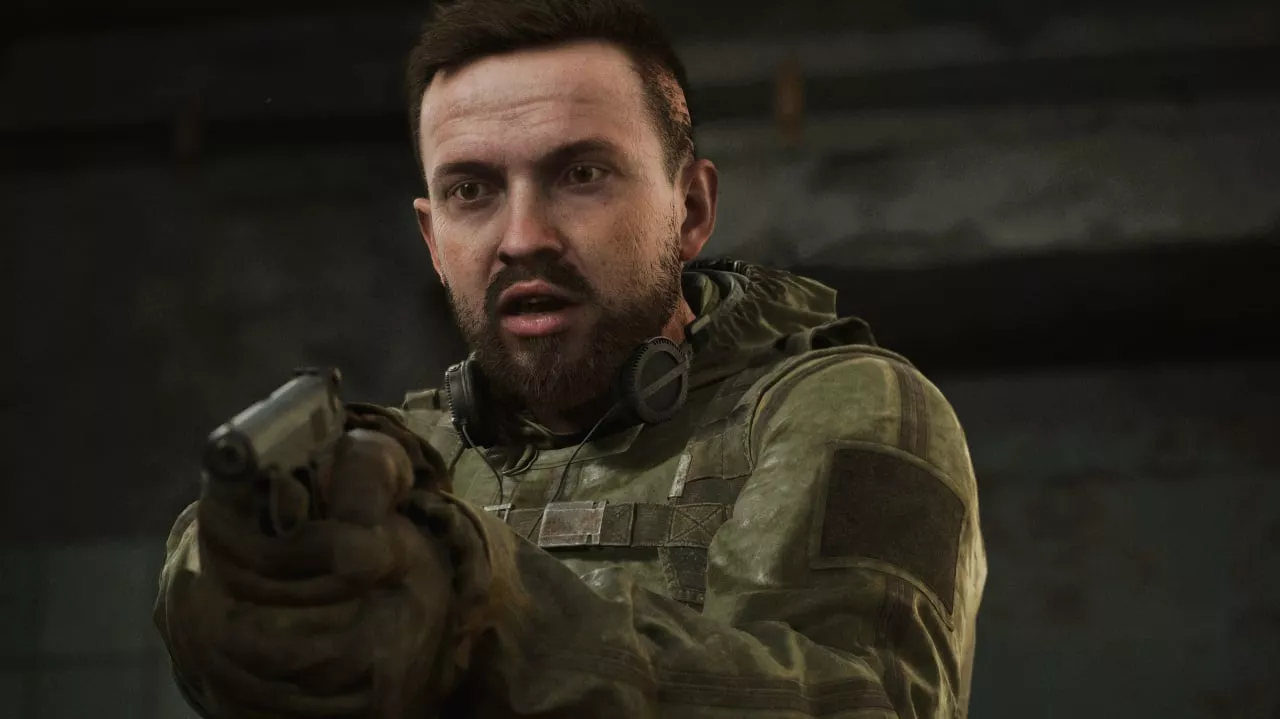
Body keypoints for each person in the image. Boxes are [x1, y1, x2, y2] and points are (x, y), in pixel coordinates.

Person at [153, 0, 987, 716]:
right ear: (433, 241)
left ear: (691, 208)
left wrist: (481, 613)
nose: (523, 237)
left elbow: (853, 700)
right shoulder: (412, 458)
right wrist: (225, 565)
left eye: (581, 173)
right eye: (471, 190)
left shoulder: (828, 407)